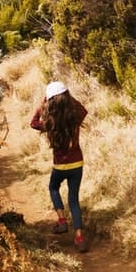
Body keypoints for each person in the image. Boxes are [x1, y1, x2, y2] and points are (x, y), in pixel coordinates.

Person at [30, 81, 89, 253]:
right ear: (67, 97)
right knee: (74, 200)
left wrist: (43, 103)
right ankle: (79, 237)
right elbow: (83, 110)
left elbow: (33, 123)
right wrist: (70, 98)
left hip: (60, 165)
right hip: (77, 164)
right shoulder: (75, 117)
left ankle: (62, 221)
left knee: (53, 187)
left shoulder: (49, 121)